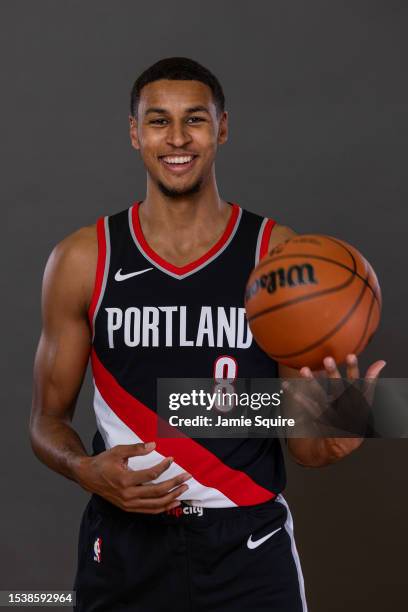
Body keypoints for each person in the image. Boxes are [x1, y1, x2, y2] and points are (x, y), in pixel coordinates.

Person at [30, 57, 385, 612]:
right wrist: (84, 470)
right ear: (134, 133)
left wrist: (337, 431)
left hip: (248, 546)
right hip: (125, 545)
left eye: (194, 119)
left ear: (222, 127)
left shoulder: (278, 255)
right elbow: (45, 420)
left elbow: (305, 445)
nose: (177, 138)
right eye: (157, 121)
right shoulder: (83, 259)